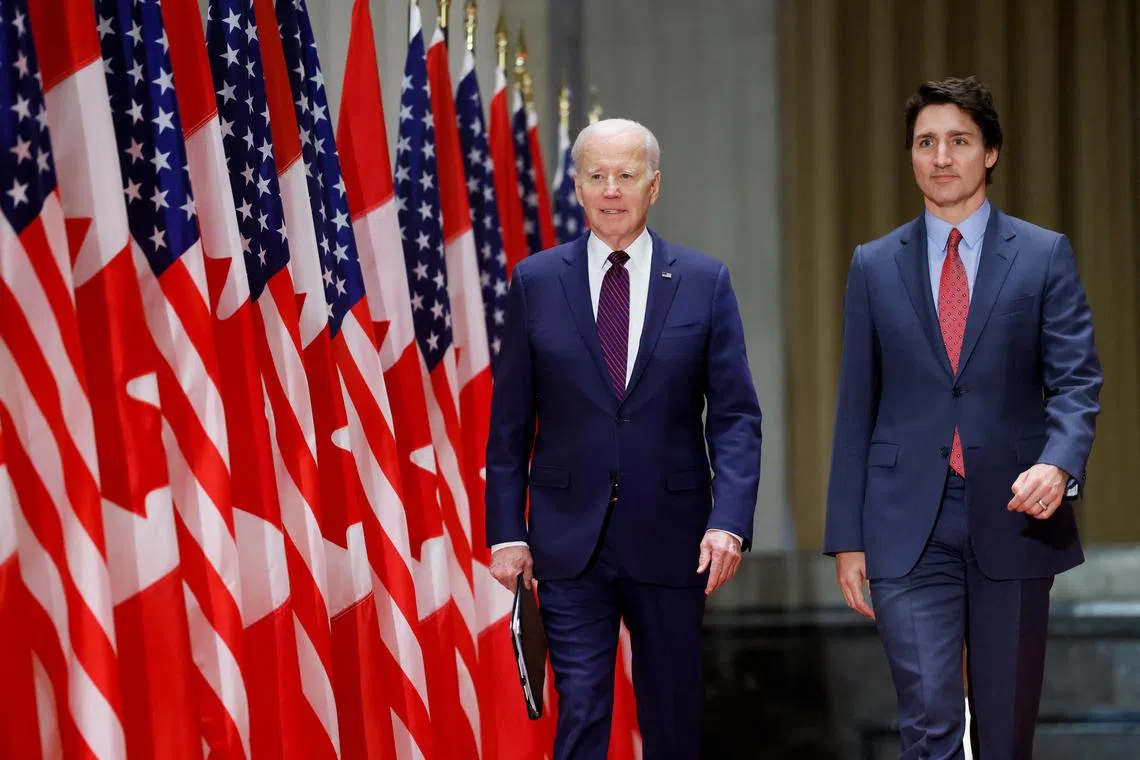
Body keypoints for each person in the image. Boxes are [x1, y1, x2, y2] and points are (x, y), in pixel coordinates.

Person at [824, 76, 1102, 760]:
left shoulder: (1043, 255)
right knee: (929, 718)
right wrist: (847, 536)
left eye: (958, 141)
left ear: (991, 154)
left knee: (1006, 731)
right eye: (926, 143)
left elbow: (1076, 380)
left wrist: (1060, 461)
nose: (941, 157)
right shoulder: (873, 265)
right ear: (911, 157)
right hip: (903, 523)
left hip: (1014, 515)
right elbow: (855, 403)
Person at [485, 118, 763, 759]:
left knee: (670, 712)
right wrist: (507, 530)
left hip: (675, 537)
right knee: (581, 705)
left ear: (654, 186)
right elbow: (509, 425)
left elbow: (734, 418)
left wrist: (730, 521)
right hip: (565, 536)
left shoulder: (704, 281)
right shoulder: (535, 282)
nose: (612, 191)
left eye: (627, 176)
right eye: (597, 177)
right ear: (576, 188)